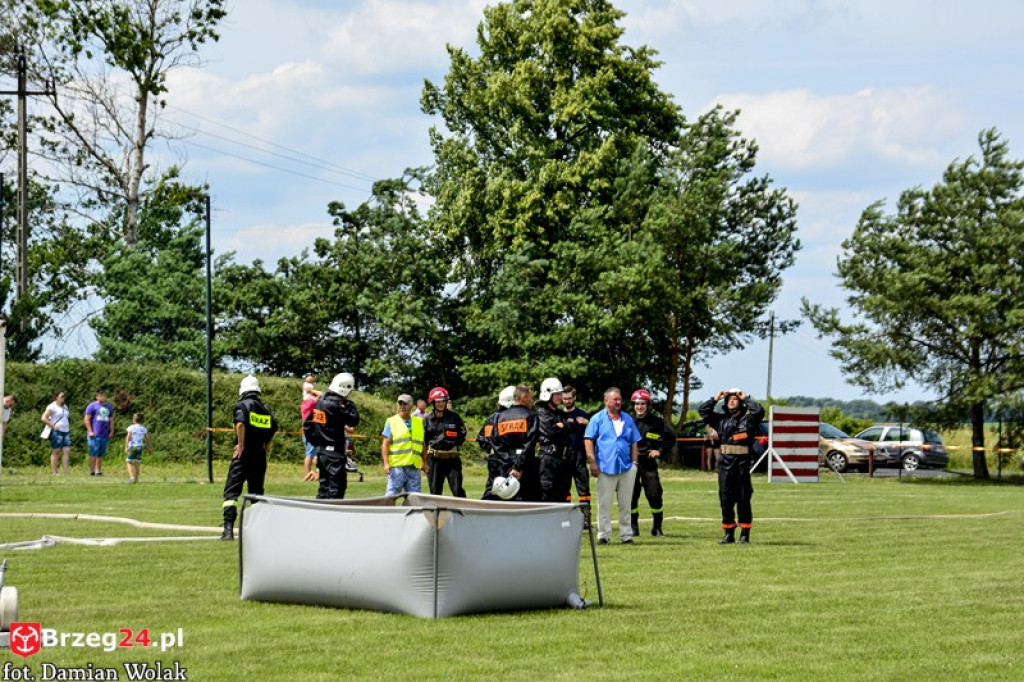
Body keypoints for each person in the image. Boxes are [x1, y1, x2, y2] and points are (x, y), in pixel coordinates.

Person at [699, 387, 764, 544]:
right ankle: (728, 533)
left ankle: (745, 534)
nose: (732, 401)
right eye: (729, 399)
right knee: (725, 499)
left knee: (743, 499)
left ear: (740, 402)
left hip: (742, 464)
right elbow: (703, 411)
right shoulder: (720, 420)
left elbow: (759, 412)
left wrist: (745, 398)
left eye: (735, 399)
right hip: (725, 464)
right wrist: (715, 399)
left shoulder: (749, 420)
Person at [220, 375, 278, 541]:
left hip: (243, 455)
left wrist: (241, 445)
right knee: (256, 493)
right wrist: (266, 444)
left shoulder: (242, 405)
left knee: (231, 492)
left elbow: (240, 424)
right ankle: (258, 529)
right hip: (259, 455)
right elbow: (273, 428)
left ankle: (228, 530)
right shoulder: (266, 409)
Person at [584, 387, 641, 545]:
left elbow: (634, 441)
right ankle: (604, 535)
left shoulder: (627, 419)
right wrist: (592, 462)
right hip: (605, 467)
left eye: (620, 399)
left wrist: (634, 463)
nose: (618, 402)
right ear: (606, 401)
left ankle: (626, 535)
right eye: (615, 399)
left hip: (626, 467)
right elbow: (588, 440)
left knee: (626, 504)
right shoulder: (597, 419)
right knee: (604, 504)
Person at [304, 372, 360, 499]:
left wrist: (316, 442)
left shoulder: (320, 403)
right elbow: (354, 420)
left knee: (324, 488)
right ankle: (331, 511)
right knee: (336, 489)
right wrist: (349, 404)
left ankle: (320, 510)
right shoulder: (337, 406)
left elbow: (307, 425)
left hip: (322, 453)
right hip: (335, 454)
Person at [629, 389, 674, 537]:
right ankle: (633, 527)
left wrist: (659, 451)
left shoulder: (656, 422)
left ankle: (657, 527)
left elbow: (670, 438)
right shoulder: (627, 421)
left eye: (642, 404)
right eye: (637, 404)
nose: (639, 407)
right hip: (631, 464)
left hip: (648, 464)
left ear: (647, 405)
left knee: (654, 494)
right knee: (631, 495)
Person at [485, 385, 539, 501]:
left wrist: (509, 466)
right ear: (523, 397)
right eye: (531, 397)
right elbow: (530, 444)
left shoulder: (499, 417)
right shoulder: (532, 416)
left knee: (504, 500)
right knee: (529, 501)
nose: (532, 400)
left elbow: (496, 444)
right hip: (526, 465)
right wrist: (518, 467)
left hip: (504, 465)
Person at [423, 386, 467, 497]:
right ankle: (436, 509)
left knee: (457, 490)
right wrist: (424, 462)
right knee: (435, 492)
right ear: (433, 403)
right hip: (434, 460)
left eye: (443, 401)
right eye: (438, 402)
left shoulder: (455, 417)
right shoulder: (427, 420)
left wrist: (454, 446)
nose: (441, 404)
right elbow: (423, 442)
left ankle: (463, 508)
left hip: (452, 459)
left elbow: (462, 434)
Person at [381, 394, 427, 496]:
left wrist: (424, 462)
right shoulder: (391, 421)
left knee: (415, 498)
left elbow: (422, 444)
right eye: (400, 404)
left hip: (414, 467)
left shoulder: (419, 422)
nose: (402, 406)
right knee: (391, 496)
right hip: (397, 468)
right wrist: (386, 463)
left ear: (411, 406)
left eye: (405, 404)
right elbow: (385, 445)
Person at [536, 377, 573, 503]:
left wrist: (564, 425)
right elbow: (552, 431)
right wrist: (564, 426)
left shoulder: (560, 414)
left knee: (563, 493)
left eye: (560, 393)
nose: (559, 396)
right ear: (548, 395)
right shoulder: (542, 413)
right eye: (556, 394)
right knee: (547, 493)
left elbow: (568, 428)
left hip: (562, 458)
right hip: (548, 458)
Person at [477, 385, 516, 498]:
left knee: (494, 488)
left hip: (496, 459)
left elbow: (481, 438)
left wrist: (491, 450)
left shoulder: (492, 418)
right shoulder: (507, 418)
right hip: (504, 459)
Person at [561, 385, 592, 524]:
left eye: (569, 398)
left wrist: (587, 423)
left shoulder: (582, 414)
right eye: (564, 398)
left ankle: (586, 518)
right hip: (564, 456)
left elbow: (593, 433)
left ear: (574, 398)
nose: (567, 401)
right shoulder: (559, 415)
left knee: (583, 489)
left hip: (580, 456)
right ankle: (566, 518)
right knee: (564, 489)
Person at [84, 389, 115, 476]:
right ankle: (92, 471)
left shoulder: (109, 407)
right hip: (94, 434)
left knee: (100, 454)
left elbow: (111, 420)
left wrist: (111, 431)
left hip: (104, 434)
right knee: (93, 452)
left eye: (104, 395)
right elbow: (86, 419)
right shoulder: (92, 406)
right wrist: (90, 431)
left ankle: (98, 471)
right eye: (100, 395)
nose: (102, 397)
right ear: (97, 396)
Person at [42, 390, 71, 475]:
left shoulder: (65, 406)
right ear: (56, 397)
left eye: (64, 396)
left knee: (66, 450)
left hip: (66, 431)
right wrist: (53, 426)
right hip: (57, 431)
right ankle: (55, 472)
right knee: (56, 450)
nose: (63, 398)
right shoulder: (52, 406)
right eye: (61, 396)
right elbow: (43, 418)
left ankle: (66, 472)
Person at [300, 376, 322, 481]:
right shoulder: (310, 402)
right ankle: (307, 475)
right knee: (310, 453)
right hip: (311, 430)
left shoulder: (304, 403)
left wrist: (310, 390)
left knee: (313, 453)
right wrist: (311, 390)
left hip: (306, 430)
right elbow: (321, 394)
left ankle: (317, 474)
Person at [124, 413, 151, 483]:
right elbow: (148, 438)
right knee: (137, 462)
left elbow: (128, 437)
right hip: (140, 447)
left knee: (129, 461)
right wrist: (149, 447)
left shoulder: (131, 427)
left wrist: (126, 447)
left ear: (134, 420)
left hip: (133, 446)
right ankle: (136, 479)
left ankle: (132, 477)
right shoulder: (143, 428)